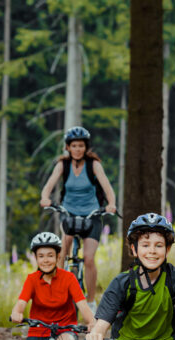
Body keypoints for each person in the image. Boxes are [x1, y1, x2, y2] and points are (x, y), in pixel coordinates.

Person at [40, 126, 117, 314]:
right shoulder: (63, 165)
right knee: (62, 253)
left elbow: (108, 188)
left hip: (92, 216)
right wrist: (45, 198)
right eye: (74, 146)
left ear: (86, 147)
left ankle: (90, 302)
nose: (77, 149)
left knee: (89, 259)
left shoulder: (93, 165)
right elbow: (48, 185)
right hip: (69, 214)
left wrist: (111, 204)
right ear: (68, 147)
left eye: (81, 146)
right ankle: (57, 292)